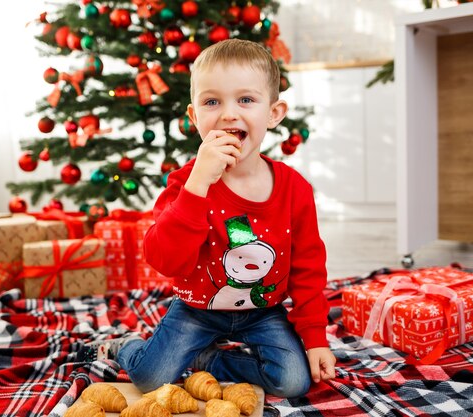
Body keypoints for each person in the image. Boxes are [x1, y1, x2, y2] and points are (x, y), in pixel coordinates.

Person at [82, 39, 336, 398]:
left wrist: (314, 339)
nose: (229, 114)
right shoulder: (186, 183)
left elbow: (308, 268)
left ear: (274, 113)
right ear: (194, 117)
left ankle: (207, 360)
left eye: (246, 100)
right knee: (149, 379)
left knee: (294, 380)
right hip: (196, 308)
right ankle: (125, 346)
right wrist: (198, 184)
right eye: (212, 101)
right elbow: (163, 259)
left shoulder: (294, 189)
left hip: (264, 311)